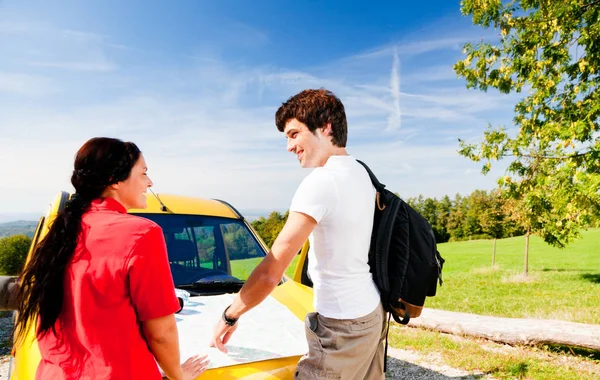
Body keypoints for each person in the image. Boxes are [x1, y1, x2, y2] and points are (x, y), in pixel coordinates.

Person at [210, 89, 387, 379]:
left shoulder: (321, 181)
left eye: (294, 134)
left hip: (342, 327)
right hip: (370, 311)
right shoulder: (361, 172)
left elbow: (271, 271)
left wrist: (230, 315)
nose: (289, 146)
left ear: (326, 126)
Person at [15, 137, 208, 380]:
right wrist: (178, 375)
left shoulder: (62, 231)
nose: (149, 182)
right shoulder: (142, 233)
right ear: (114, 180)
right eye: (143, 173)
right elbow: (161, 331)